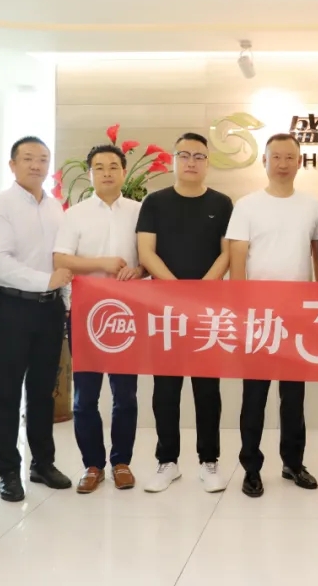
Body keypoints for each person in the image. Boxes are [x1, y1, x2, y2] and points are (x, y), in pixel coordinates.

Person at [227, 133, 318, 497]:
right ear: (264, 161)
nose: (283, 163)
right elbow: (237, 261)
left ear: (299, 162)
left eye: (290, 157)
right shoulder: (247, 205)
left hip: (298, 315)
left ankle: (293, 463)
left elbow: (317, 258)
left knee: (294, 397)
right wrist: (240, 311)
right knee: (254, 396)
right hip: (258, 317)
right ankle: (251, 468)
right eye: (276, 157)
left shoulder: (312, 206)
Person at [0, 136, 74, 502]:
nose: (36, 165)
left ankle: (42, 463)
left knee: (43, 390)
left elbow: (62, 259)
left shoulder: (55, 208)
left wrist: (63, 299)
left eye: (43, 159)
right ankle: (7, 471)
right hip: (10, 307)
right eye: (28, 158)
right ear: (13, 164)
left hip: (49, 308)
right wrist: (46, 281)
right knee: (7, 391)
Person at [137, 132, 233, 494]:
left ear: (208, 163)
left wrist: (201, 290)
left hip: (207, 309)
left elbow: (226, 252)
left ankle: (209, 461)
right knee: (166, 388)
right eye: (184, 155)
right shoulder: (155, 202)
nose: (191, 161)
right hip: (165, 309)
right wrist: (177, 290)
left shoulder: (222, 203)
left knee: (207, 389)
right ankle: (168, 462)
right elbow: (146, 252)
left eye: (199, 156)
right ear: (174, 160)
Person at [53, 144, 145, 494]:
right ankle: (92, 465)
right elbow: (61, 259)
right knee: (85, 397)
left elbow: (149, 257)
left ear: (123, 171)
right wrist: (101, 263)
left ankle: (122, 463)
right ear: (90, 173)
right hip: (85, 315)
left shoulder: (140, 211)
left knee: (126, 395)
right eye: (99, 167)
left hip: (127, 315)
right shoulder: (75, 214)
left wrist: (139, 270)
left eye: (113, 166)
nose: (107, 172)